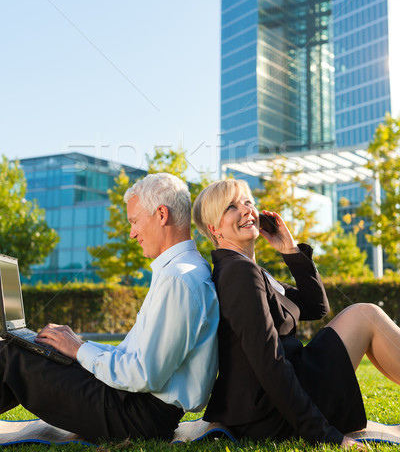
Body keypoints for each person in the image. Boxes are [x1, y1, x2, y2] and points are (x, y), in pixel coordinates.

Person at [0, 173, 219, 443]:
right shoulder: (181, 271)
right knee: (25, 348)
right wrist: (79, 346)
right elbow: (135, 358)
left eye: (135, 221)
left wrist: (80, 350)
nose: (132, 233)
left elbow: (142, 374)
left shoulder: (179, 279)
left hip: (134, 416)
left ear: (161, 215)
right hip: (133, 405)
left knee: (10, 353)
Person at [193, 178, 400, 448]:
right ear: (214, 228)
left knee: (365, 314)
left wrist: (290, 250)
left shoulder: (249, 269)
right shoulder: (238, 273)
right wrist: (325, 435)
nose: (246, 210)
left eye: (248, 202)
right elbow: (269, 362)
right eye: (231, 207)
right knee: (366, 315)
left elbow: (316, 307)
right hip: (271, 411)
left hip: (285, 390)